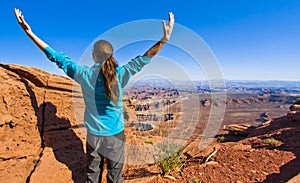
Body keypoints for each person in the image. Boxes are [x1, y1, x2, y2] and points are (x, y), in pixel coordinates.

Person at [14, 8, 174, 183]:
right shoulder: (120, 74)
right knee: (114, 176)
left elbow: (56, 58)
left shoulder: (83, 74)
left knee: (92, 175)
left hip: (94, 136)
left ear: (94, 56)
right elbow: (143, 59)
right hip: (115, 135)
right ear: (110, 55)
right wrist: (164, 40)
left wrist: (30, 33)